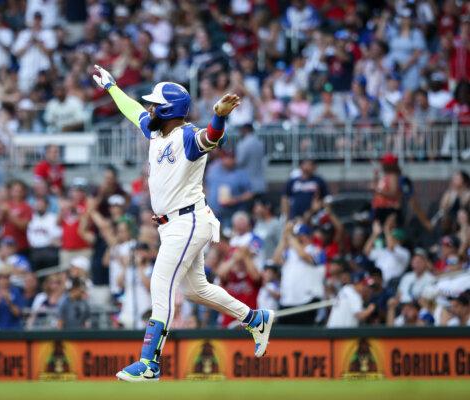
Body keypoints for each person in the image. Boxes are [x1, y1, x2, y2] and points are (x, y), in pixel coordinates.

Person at [93, 65, 274, 381]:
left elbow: (211, 137)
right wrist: (111, 87)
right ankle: (254, 318)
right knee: (194, 289)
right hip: (175, 224)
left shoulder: (187, 136)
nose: (149, 108)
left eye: (155, 104)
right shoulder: (156, 130)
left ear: (167, 110)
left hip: (188, 220)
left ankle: (149, 362)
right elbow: (133, 110)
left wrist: (218, 116)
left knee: (161, 282)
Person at [273, 222, 325, 325]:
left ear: (306, 236)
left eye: (298, 236)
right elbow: (276, 259)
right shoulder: (290, 252)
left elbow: (304, 256)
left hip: (308, 300)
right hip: (287, 300)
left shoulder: (316, 249)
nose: (297, 238)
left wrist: (290, 236)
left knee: (304, 336)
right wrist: (284, 238)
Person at [0, 264, 25, 330]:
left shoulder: (16, 291)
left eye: (6, 277)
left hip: (15, 328)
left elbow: (18, 314)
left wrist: (9, 302)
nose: (4, 280)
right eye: (1, 277)